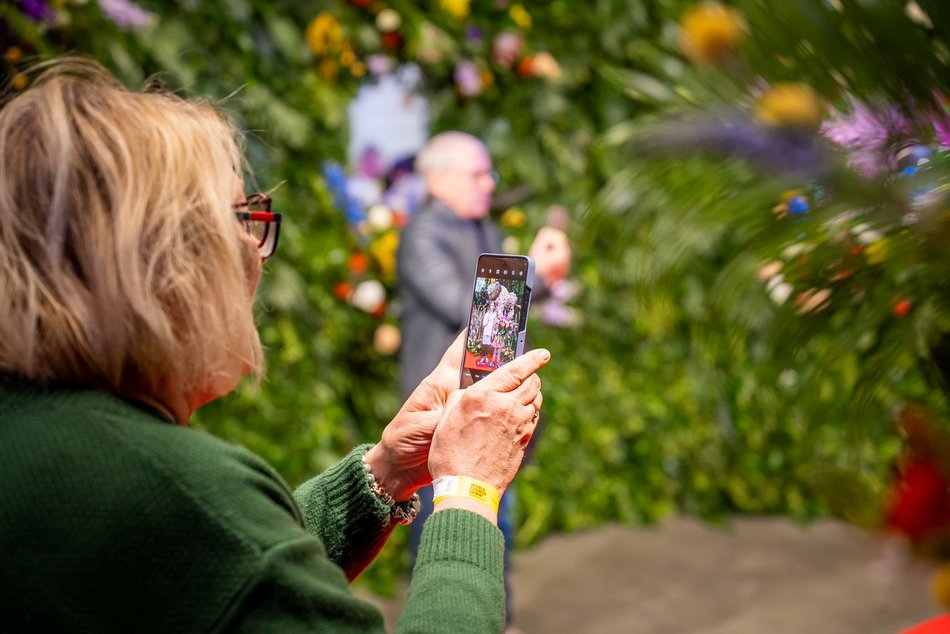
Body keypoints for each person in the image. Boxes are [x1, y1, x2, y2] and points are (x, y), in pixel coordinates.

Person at [0, 58, 550, 632]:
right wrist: (468, 492)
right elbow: (233, 553)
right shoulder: (180, 492)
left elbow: (221, 577)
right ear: (164, 264)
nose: (257, 248)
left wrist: (383, 473)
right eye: (242, 217)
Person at [396, 131, 571, 631]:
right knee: (442, 527)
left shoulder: (481, 228)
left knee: (497, 524)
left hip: (491, 405)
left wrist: (541, 277)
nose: (488, 185)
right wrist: (533, 269)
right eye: (477, 174)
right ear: (438, 178)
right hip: (444, 410)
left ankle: (493, 619)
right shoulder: (422, 234)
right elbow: (471, 312)